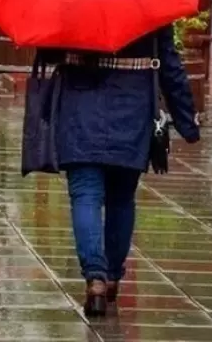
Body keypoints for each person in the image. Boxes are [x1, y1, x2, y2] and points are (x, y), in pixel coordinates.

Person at [47, 26, 199, 317]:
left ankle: (95, 279)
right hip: (131, 107)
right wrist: (186, 121)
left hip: (81, 108)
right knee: (121, 197)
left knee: (85, 194)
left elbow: (49, 50)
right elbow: (169, 63)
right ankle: (113, 275)